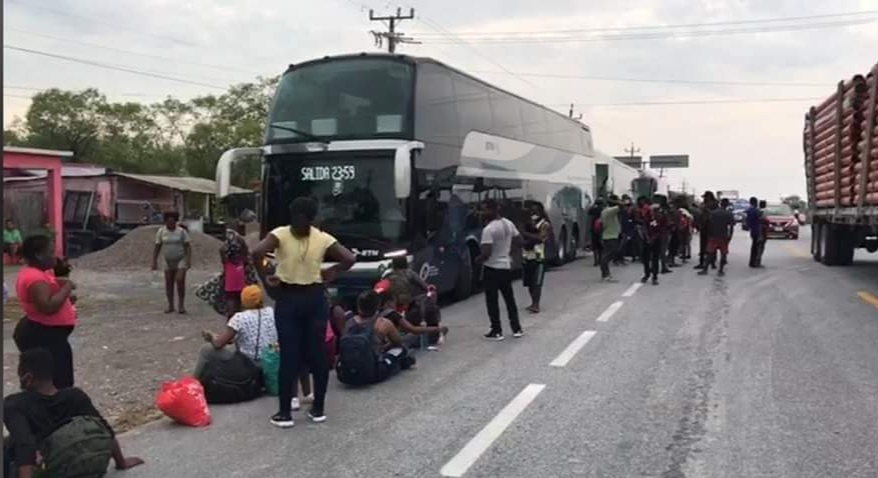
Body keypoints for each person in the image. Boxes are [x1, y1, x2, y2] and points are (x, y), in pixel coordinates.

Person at [251, 196, 356, 428]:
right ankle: (318, 409)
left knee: (289, 355)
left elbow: (256, 253)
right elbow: (349, 258)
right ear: (313, 218)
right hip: (315, 299)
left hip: (288, 299)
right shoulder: (322, 237)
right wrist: (334, 270)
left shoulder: (279, 234)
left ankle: (285, 413)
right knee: (317, 353)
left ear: (293, 215)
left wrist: (267, 282)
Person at [4, 349, 144, 478]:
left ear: (27, 378)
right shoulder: (75, 395)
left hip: (46, 469)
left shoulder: (14, 404)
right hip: (80, 468)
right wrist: (121, 462)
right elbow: (104, 427)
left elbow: (25, 447)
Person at [13, 235, 77, 389]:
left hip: (47, 334)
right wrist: (67, 287)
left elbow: (51, 287)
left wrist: (65, 297)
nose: (54, 256)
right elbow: (47, 307)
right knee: (58, 381)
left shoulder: (40, 272)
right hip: (45, 336)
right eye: (50, 251)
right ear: (38, 255)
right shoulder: (35, 278)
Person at [338, 291, 415, 386]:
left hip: (345, 375)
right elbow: (397, 343)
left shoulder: (349, 322)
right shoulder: (383, 323)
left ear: (358, 306)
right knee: (401, 350)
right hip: (372, 373)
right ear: (378, 306)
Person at [477, 199, 524, 340]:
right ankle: (517, 328)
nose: (482, 213)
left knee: (492, 300)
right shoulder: (508, 223)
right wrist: (508, 252)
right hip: (506, 266)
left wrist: (478, 259)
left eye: (485, 209)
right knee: (509, 299)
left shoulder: (489, 229)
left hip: (492, 268)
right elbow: (520, 242)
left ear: (493, 210)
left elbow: (486, 253)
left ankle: (496, 330)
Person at [376, 288, 447, 351]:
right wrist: (437, 329)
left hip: (380, 344)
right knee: (418, 335)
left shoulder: (376, 314)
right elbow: (413, 329)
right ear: (388, 303)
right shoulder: (392, 314)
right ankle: (437, 334)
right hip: (392, 343)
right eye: (394, 302)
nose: (395, 305)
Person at [219, 212, 258, 318]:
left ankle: (231, 324)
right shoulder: (241, 242)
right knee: (241, 301)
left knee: (231, 299)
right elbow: (247, 256)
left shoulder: (226, 247)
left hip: (229, 276)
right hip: (240, 275)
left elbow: (222, 253)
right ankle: (241, 323)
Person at [151, 211, 192, 314]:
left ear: (175, 222)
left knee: (179, 280)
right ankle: (170, 305)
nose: (170, 224)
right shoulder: (161, 232)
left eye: (172, 222)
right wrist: (154, 260)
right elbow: (157, 246)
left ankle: (181, 305)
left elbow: (187, 246)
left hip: (180, 258)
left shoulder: (181, 231)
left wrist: (188, 260)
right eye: (168, 222)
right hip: (167, 259)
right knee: (169, 283)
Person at [521, 204, 550, 313]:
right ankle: (533, 302)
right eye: (532, 211)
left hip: (539, 258)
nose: (533, 214)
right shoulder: (527, 223)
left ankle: (536, 305)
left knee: (537, 282)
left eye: (535, 211)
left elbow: (541, 238)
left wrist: (526, 235)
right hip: (527, 256)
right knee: (529, 283)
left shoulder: (545, 224)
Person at [699, 197, 735, 277]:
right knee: (723, 253)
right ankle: (721, 270)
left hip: (713, 236)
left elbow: (709, 224)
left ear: (720, 203)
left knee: (709, 253)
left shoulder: (713, 213)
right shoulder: (729, 214)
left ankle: (705, 269)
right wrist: (730, 236)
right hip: (723, 236)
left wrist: (709, 234)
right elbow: (731, 227)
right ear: (727, 205)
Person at [641, 197, 668, 285]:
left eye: (656, 210)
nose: (655, 212)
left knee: (655, 258)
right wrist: (647, 237)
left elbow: (662, 230)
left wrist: (654, 238)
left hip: (656, 240)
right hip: (647, 239)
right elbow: (644, 226)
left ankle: (655, 277)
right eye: (653, 210)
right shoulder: (648, 215)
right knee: (646, 258)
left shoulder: (662, 217)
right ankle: (647, 274)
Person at [599, 195, 622, 282]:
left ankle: (605, 274)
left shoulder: (605, 211)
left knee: (607, 255)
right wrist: (616, 201)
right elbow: (622, 205)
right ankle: (606, 275)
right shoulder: (610, 210)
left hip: (608, 235)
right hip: (611, 236)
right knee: (607, 256)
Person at [695, 191, 717, 270]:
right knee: (703, 245)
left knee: (711, 245)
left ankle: (711, 261)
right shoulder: (703, 204)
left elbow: (714, 215)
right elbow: (699, 215)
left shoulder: (714, 204)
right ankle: (702, 261)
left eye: (705, 197)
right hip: (703, 226)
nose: (704, 198)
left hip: (710, 227)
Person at [746, 197, 762, 268]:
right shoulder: (756, 211)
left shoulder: (749, 210)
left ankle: (752, 262)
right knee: (756, 247)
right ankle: (754, 262)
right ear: (755, 202)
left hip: (752, 230)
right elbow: (760, 219)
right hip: (757, 230)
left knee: (754, 246)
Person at [588, 198, 605, 266]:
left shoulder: (594, 209)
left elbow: (589, 212)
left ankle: (595, 261)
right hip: (602, 229)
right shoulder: (604, 209)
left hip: (594, 229)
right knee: (601, 246)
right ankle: (600, 260)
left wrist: (593, 205)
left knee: (595, 246)